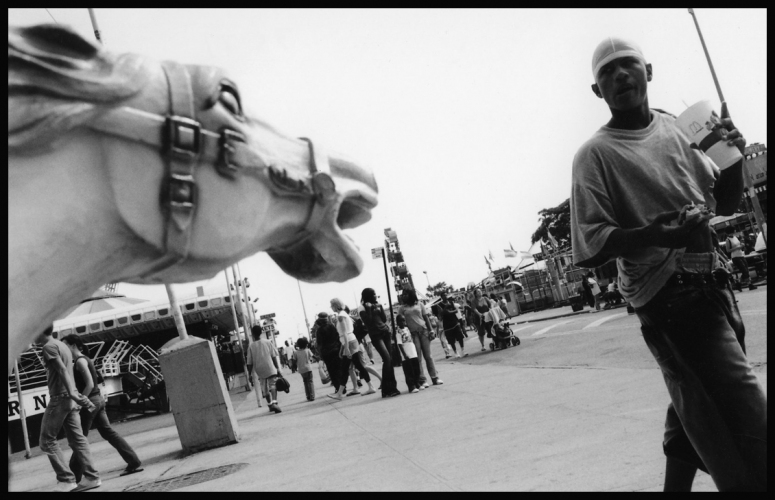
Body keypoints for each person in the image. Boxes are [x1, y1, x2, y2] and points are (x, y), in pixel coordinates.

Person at [570, 36, 766, 491]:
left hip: (713, 281)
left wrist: (731, 156)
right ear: (598, 91)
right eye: (608, 72)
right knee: (741, 412)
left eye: (628, 65)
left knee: (691, 398)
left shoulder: (681, 128)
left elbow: (725, 202)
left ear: (649, 72)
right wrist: (652, 235)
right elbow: (590, 247)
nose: (620, 75)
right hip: (668, 298)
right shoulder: (595, 155)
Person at [60, 334, 143, 480]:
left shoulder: (80, 362)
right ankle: (133, 462)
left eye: (65, 345)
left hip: (90, 402)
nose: (62, 348)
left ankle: (73, 477)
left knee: (79, 439)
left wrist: (80, 402)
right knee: (108, 433)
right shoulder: (86, 360)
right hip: (98, 401)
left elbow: (90, 384)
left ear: (73, 346)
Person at [35, 325, 101, 492]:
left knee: (46, 441)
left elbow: (62, 369)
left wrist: (71, 392)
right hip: (70, 398)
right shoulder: (61, 345)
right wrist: (74, 393)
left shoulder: (48, 347)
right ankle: (92, 477)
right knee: (77, 439)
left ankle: (66, 480)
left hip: (60, 397)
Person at [328, 298, 377, 400]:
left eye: (331, 305)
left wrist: (345, 348)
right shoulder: (344, 315)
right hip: (351, 341)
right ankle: (370, 386)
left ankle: (340, 393)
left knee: (346, 368)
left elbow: (345, 332)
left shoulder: (341, 316)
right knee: (356, 366)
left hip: (349, 342)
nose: (331, 307)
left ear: (336, 306)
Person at [359, 288, 400, 398]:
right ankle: (386, 388)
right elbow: (368, 322)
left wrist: (379, 307)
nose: (375, 296)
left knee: (390, 360)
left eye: (375, 293)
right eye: (373, 294)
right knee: (386, 359)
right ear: (367, 296)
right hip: (375, 335)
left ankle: (392, 388)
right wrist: (368, 309)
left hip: (385, 332)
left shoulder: (378, 304)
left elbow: (383, 318)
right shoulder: (362, 307)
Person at [398, 289, 443, 387]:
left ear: (411, 295)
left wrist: (431, 330)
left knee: (428, 356)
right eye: (403, 295)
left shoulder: (420, 304)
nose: (403, 296)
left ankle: (435, 377)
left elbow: (426, 317)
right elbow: (400, 321)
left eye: (405, 294)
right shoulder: (402, 308)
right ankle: (422, 379)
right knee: (418, 358)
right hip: (412, 334)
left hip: (424, 331)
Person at [246, 325, 282, 413]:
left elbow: (249, 363)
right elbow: (273, 357)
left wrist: (249, 374)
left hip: (259, 369)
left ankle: (270, 404)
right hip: (269, 366)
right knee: (272, 384)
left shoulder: (251, 346)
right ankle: (274, 402)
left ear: (252, 334)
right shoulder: (267, 342)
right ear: (261, 332)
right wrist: (277, 368)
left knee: (264, 387)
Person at [314, 312, 343, 395]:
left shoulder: (319, 331)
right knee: (339, 369)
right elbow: (338, 338)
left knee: (331, 371)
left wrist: (321, 355)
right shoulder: (332, 326)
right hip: (336, 350)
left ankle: (337, 388)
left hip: (326, 353)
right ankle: (342, 387)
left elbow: (319, 344)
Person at [394, 315, 422, 393]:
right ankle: (411, 386)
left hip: (412, 351)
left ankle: (417, 383)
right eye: (400, 321)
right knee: (409, 370)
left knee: (416, 368)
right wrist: (404, 354)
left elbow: (411, 340)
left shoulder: (407, 329)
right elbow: (399, 344)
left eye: (403, 320)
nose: (402, 322)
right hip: (406, 353)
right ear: (397, 322)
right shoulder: (398, 332)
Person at [438, 292, 467, 358]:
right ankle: (456, 352)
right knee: (451, 340)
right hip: (447, 324)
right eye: (444, 295)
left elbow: (456, 310)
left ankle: (463, 350)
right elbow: (442, 313)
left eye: (446, 295)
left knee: (460, 336)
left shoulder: (451, 302)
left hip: (454, 321)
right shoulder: (439, 305)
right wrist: (446, 309)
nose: (445, 296)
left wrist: (448, 312)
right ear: (441, 297)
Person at [291, 337, 315, 401]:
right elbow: (313, 356)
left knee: (305, 382)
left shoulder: (295, 352)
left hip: (302, 370)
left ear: (298, 344)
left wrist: (294, 367)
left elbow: (294, 361)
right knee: (310, 382)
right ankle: (312, 396)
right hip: (308, 368)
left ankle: (308, 396)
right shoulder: (307, 350)